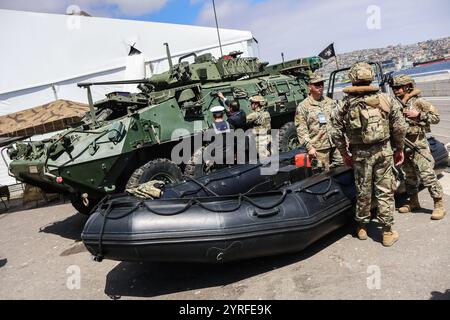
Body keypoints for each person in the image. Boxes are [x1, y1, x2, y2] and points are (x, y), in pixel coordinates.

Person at [331, 62, 407, 247]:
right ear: (371, 76)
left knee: (363, 189)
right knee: (385, 191)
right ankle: (387, 232)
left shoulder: (345, 103)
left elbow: (334, 131)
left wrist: (344, 153)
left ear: (352, 77)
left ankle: (362, 226)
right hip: (383, 151)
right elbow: (399, 126)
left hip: (359, 153)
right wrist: (399, 148)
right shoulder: (385, 99)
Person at [391, 74, 446, 220]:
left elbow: (436, 118)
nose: (395, 90)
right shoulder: (395, 104)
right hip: (403, 146)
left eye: (398, 87)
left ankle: (439, 204)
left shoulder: (419, 101)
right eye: (393, 87)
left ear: (408, 86)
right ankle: (414, 202)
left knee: (427, 175)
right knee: (409, 176)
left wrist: (419, 115)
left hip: (418, 145)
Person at [295, 72, 343, 170]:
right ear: (309, 87)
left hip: (335, 144)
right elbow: (301, 129)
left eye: (322, 84)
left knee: (343, 170)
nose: (320, 87)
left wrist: (344, 139)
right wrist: (309, 147)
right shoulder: (303, 106)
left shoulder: (330, 102)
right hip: (318, 149)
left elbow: (339, 121)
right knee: (322, 175)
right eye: (317, 85)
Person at [246, 95, 271, 161]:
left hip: (259, 140)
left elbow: (243, 120)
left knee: (263, 159)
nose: (251, 105)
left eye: (252, 103)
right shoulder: (266, 113)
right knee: (267, 154)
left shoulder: (254, 115)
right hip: (267, 137)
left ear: (256, 104)